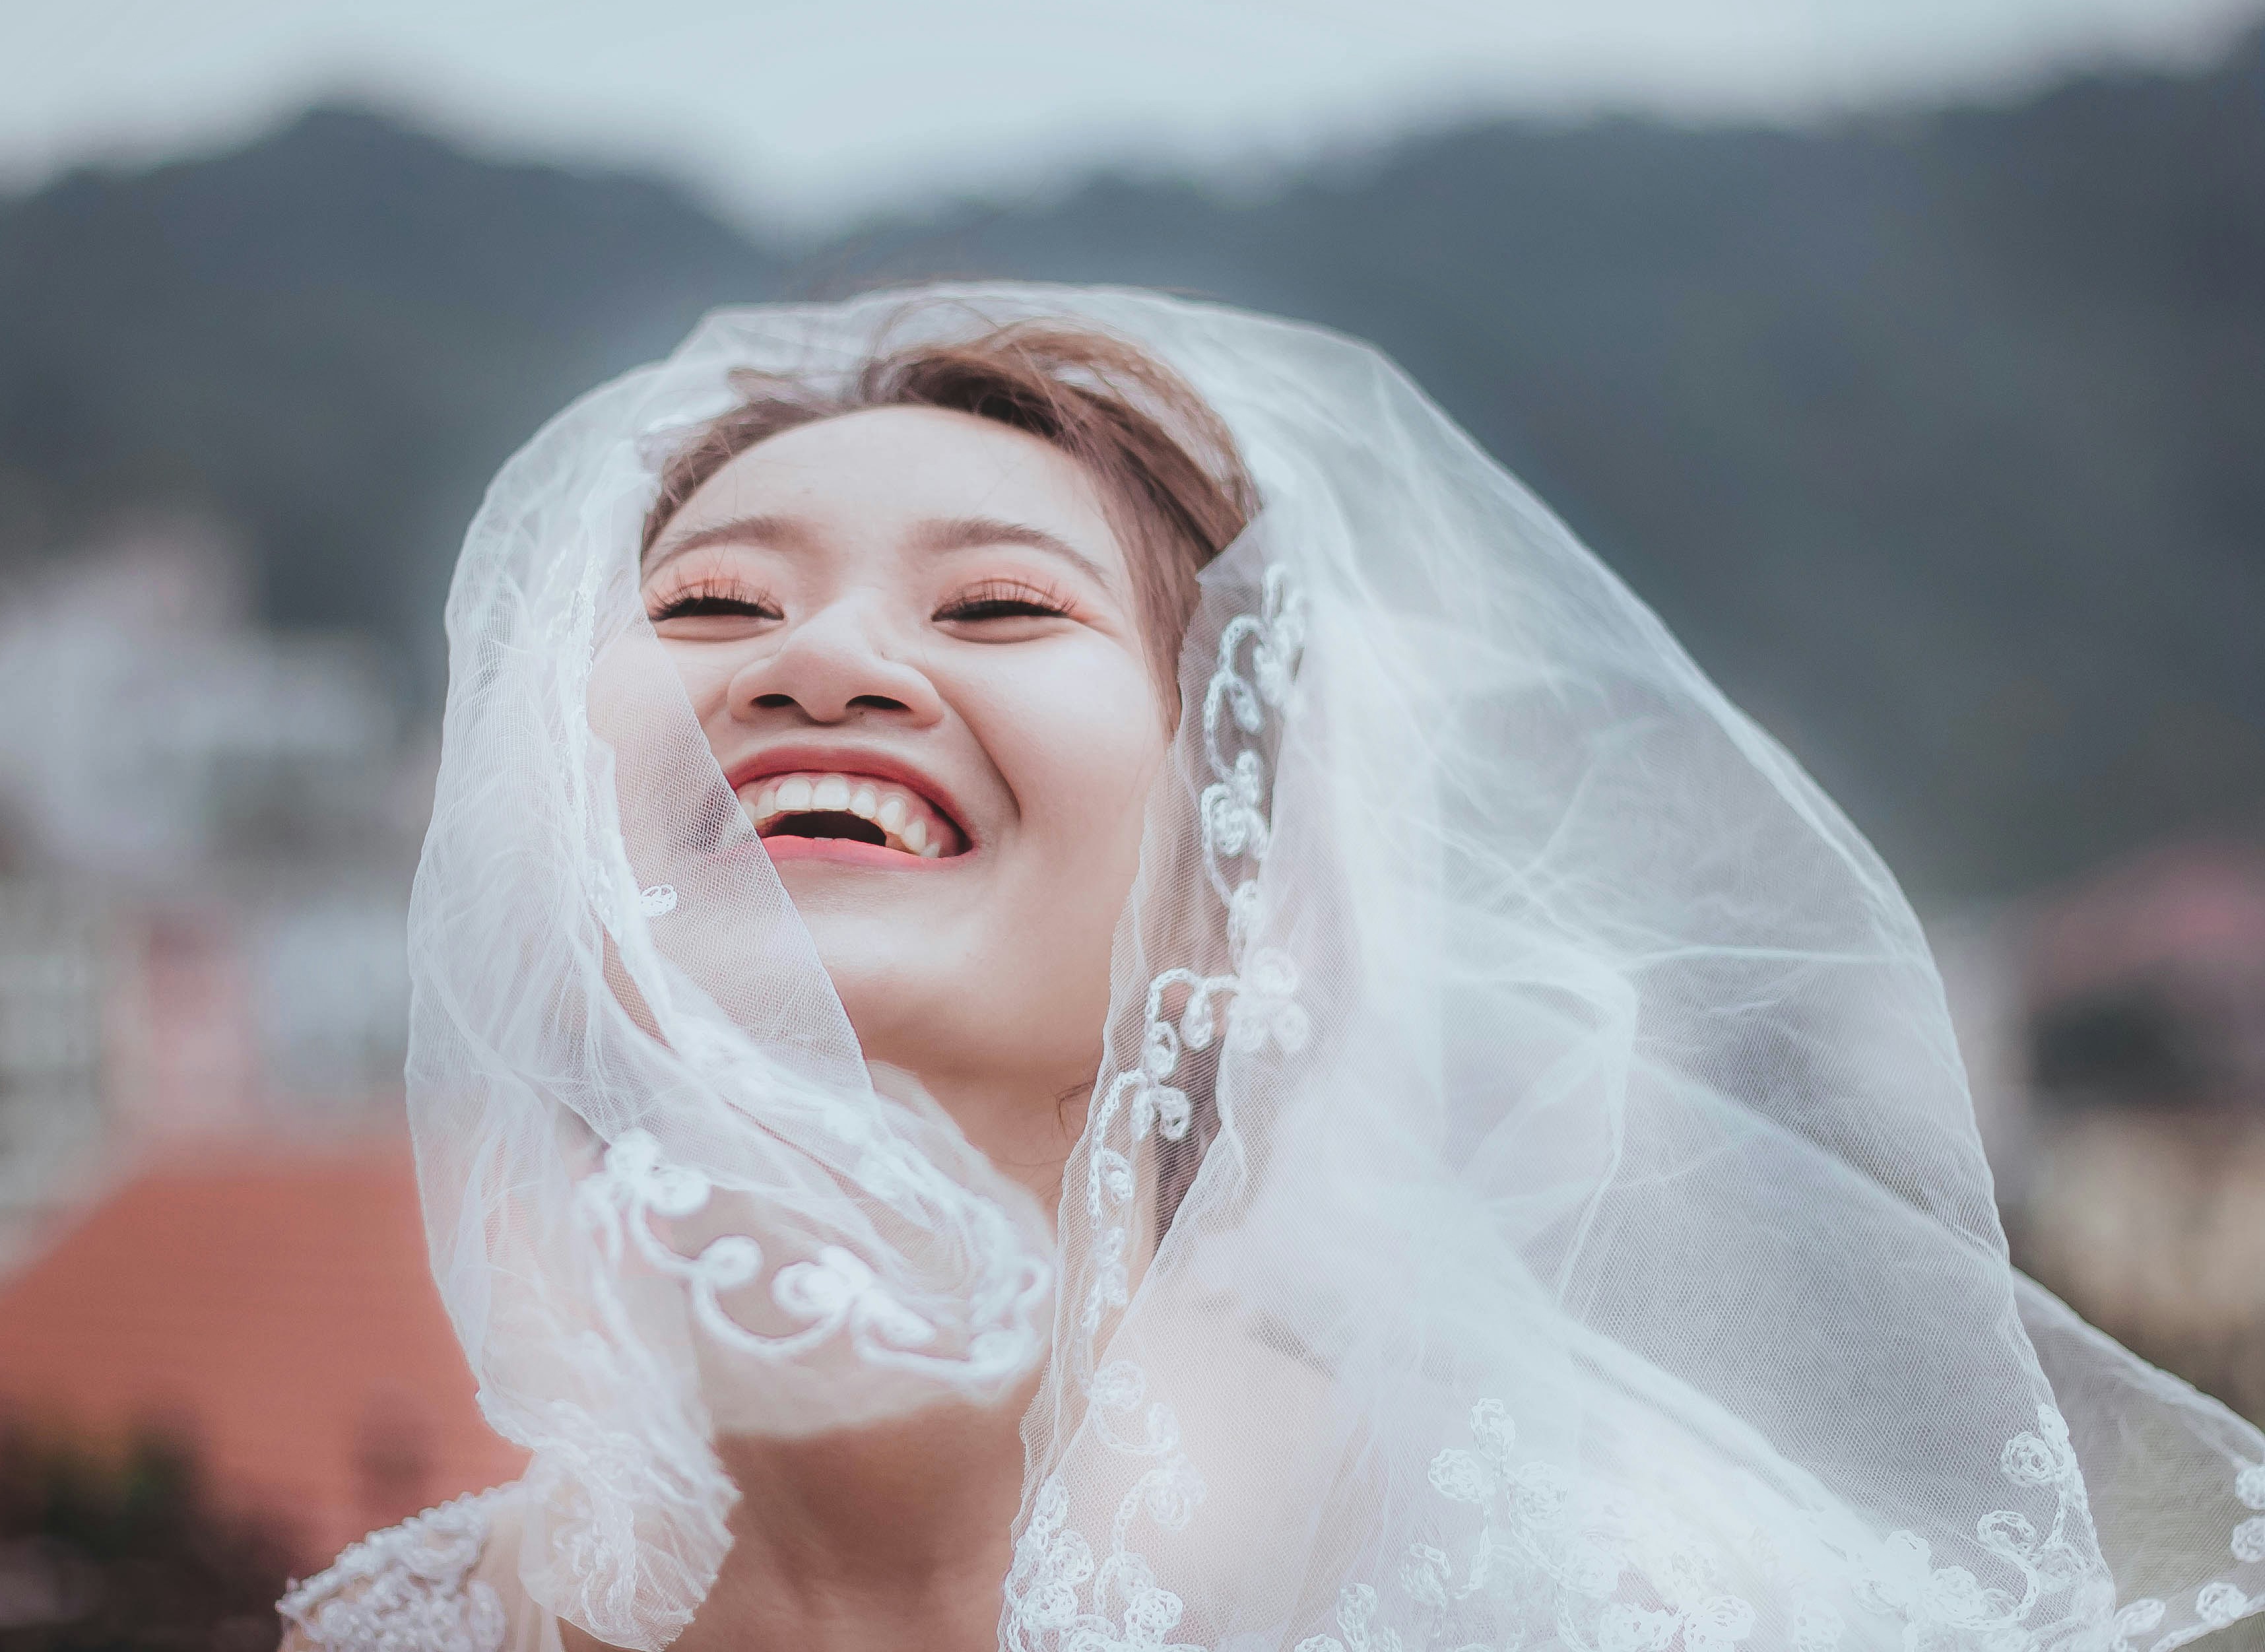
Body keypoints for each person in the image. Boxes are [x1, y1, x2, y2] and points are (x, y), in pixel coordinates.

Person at [279, 288, 2265, 1652]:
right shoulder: (391, 1627)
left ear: (1248, 888)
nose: (819, 664)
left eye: (996, 602)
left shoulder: (1623, 1597)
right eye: (709, 602)